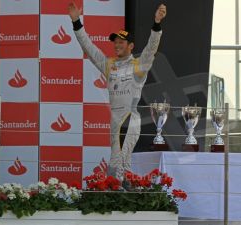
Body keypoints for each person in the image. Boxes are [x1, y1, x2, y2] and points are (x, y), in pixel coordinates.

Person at [68, 2, 167, 180]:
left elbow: (151, 49)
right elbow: (89, 49)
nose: (117, 45)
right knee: (124, 161)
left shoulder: (139, 65)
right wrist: (77, 22)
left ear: (131, 46)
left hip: (129, 119)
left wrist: (157, 25)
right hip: (114, 120)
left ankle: (112, 192)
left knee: (116, 161)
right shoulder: (109, 65)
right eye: (115, 42)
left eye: (121, 42)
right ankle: (125, 198)